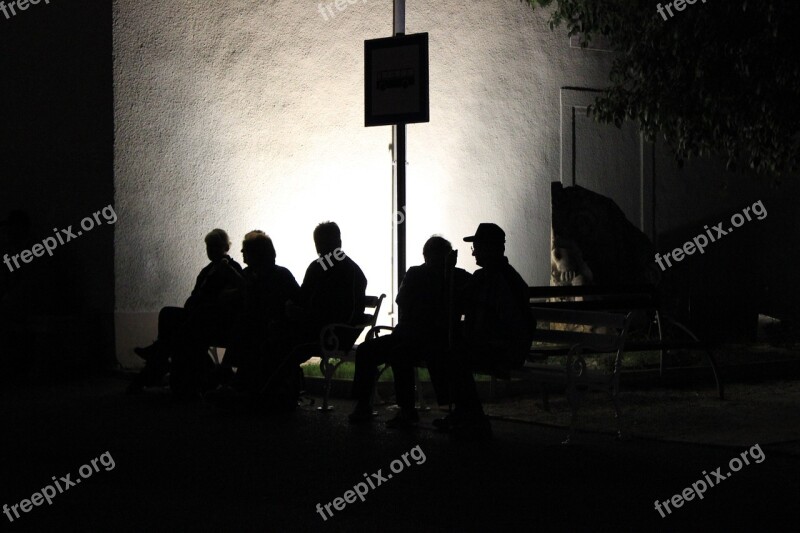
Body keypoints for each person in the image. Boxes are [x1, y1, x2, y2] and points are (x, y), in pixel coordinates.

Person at [348, 236, 471, 428]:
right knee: (367, 350)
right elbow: (404, 302)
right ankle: (367, 405)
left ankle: (401, 410)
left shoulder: (450, 276)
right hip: (413, 335)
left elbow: (405, 302)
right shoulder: (434, 275)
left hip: (426, 338)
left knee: (389, 353)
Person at [434, 223, 532, 440]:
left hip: (505, 350)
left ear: (490, 248)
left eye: (477, 247)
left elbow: (510, 324)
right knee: (446, 350)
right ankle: (465, 413)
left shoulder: (506, 280)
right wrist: (449, 273)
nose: (474, 252)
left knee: (455, 355)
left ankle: (473, 417)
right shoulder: (482, 277)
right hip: (489, 345)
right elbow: (457, 303)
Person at [127, 229, 243, 395]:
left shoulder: (232, 269)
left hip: (214, 319)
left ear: (225, 247)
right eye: (209, 247)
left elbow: (229, 299)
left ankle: (159, 355)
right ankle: (160, 352)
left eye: (214, 246)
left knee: (182, 324)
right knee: (168, 313)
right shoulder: (207, 270)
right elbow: (195, 295)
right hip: (198, 314)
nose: (211, 250)